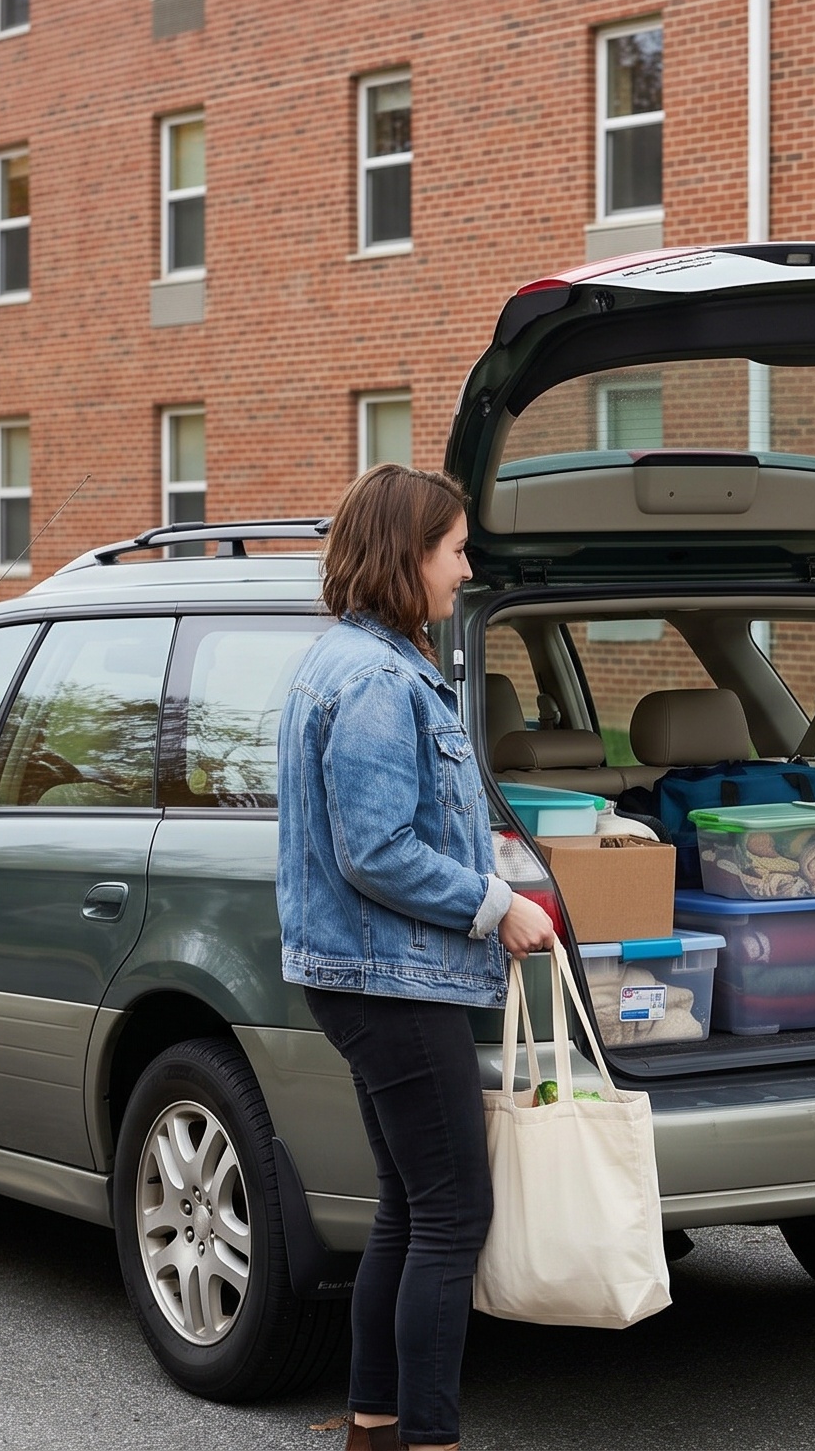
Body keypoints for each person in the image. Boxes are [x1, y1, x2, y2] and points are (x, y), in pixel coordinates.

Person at [276, 464, 557, 1451]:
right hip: (390, 979)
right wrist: (499, 906)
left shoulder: (357, 664)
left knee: (409, 1202)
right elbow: (377, 850)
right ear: (407, 557)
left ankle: (375, 1426)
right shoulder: (375, 682)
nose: (466, 568)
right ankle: (425, 1438)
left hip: (375, 978)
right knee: (451, 1214)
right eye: (454, 550)